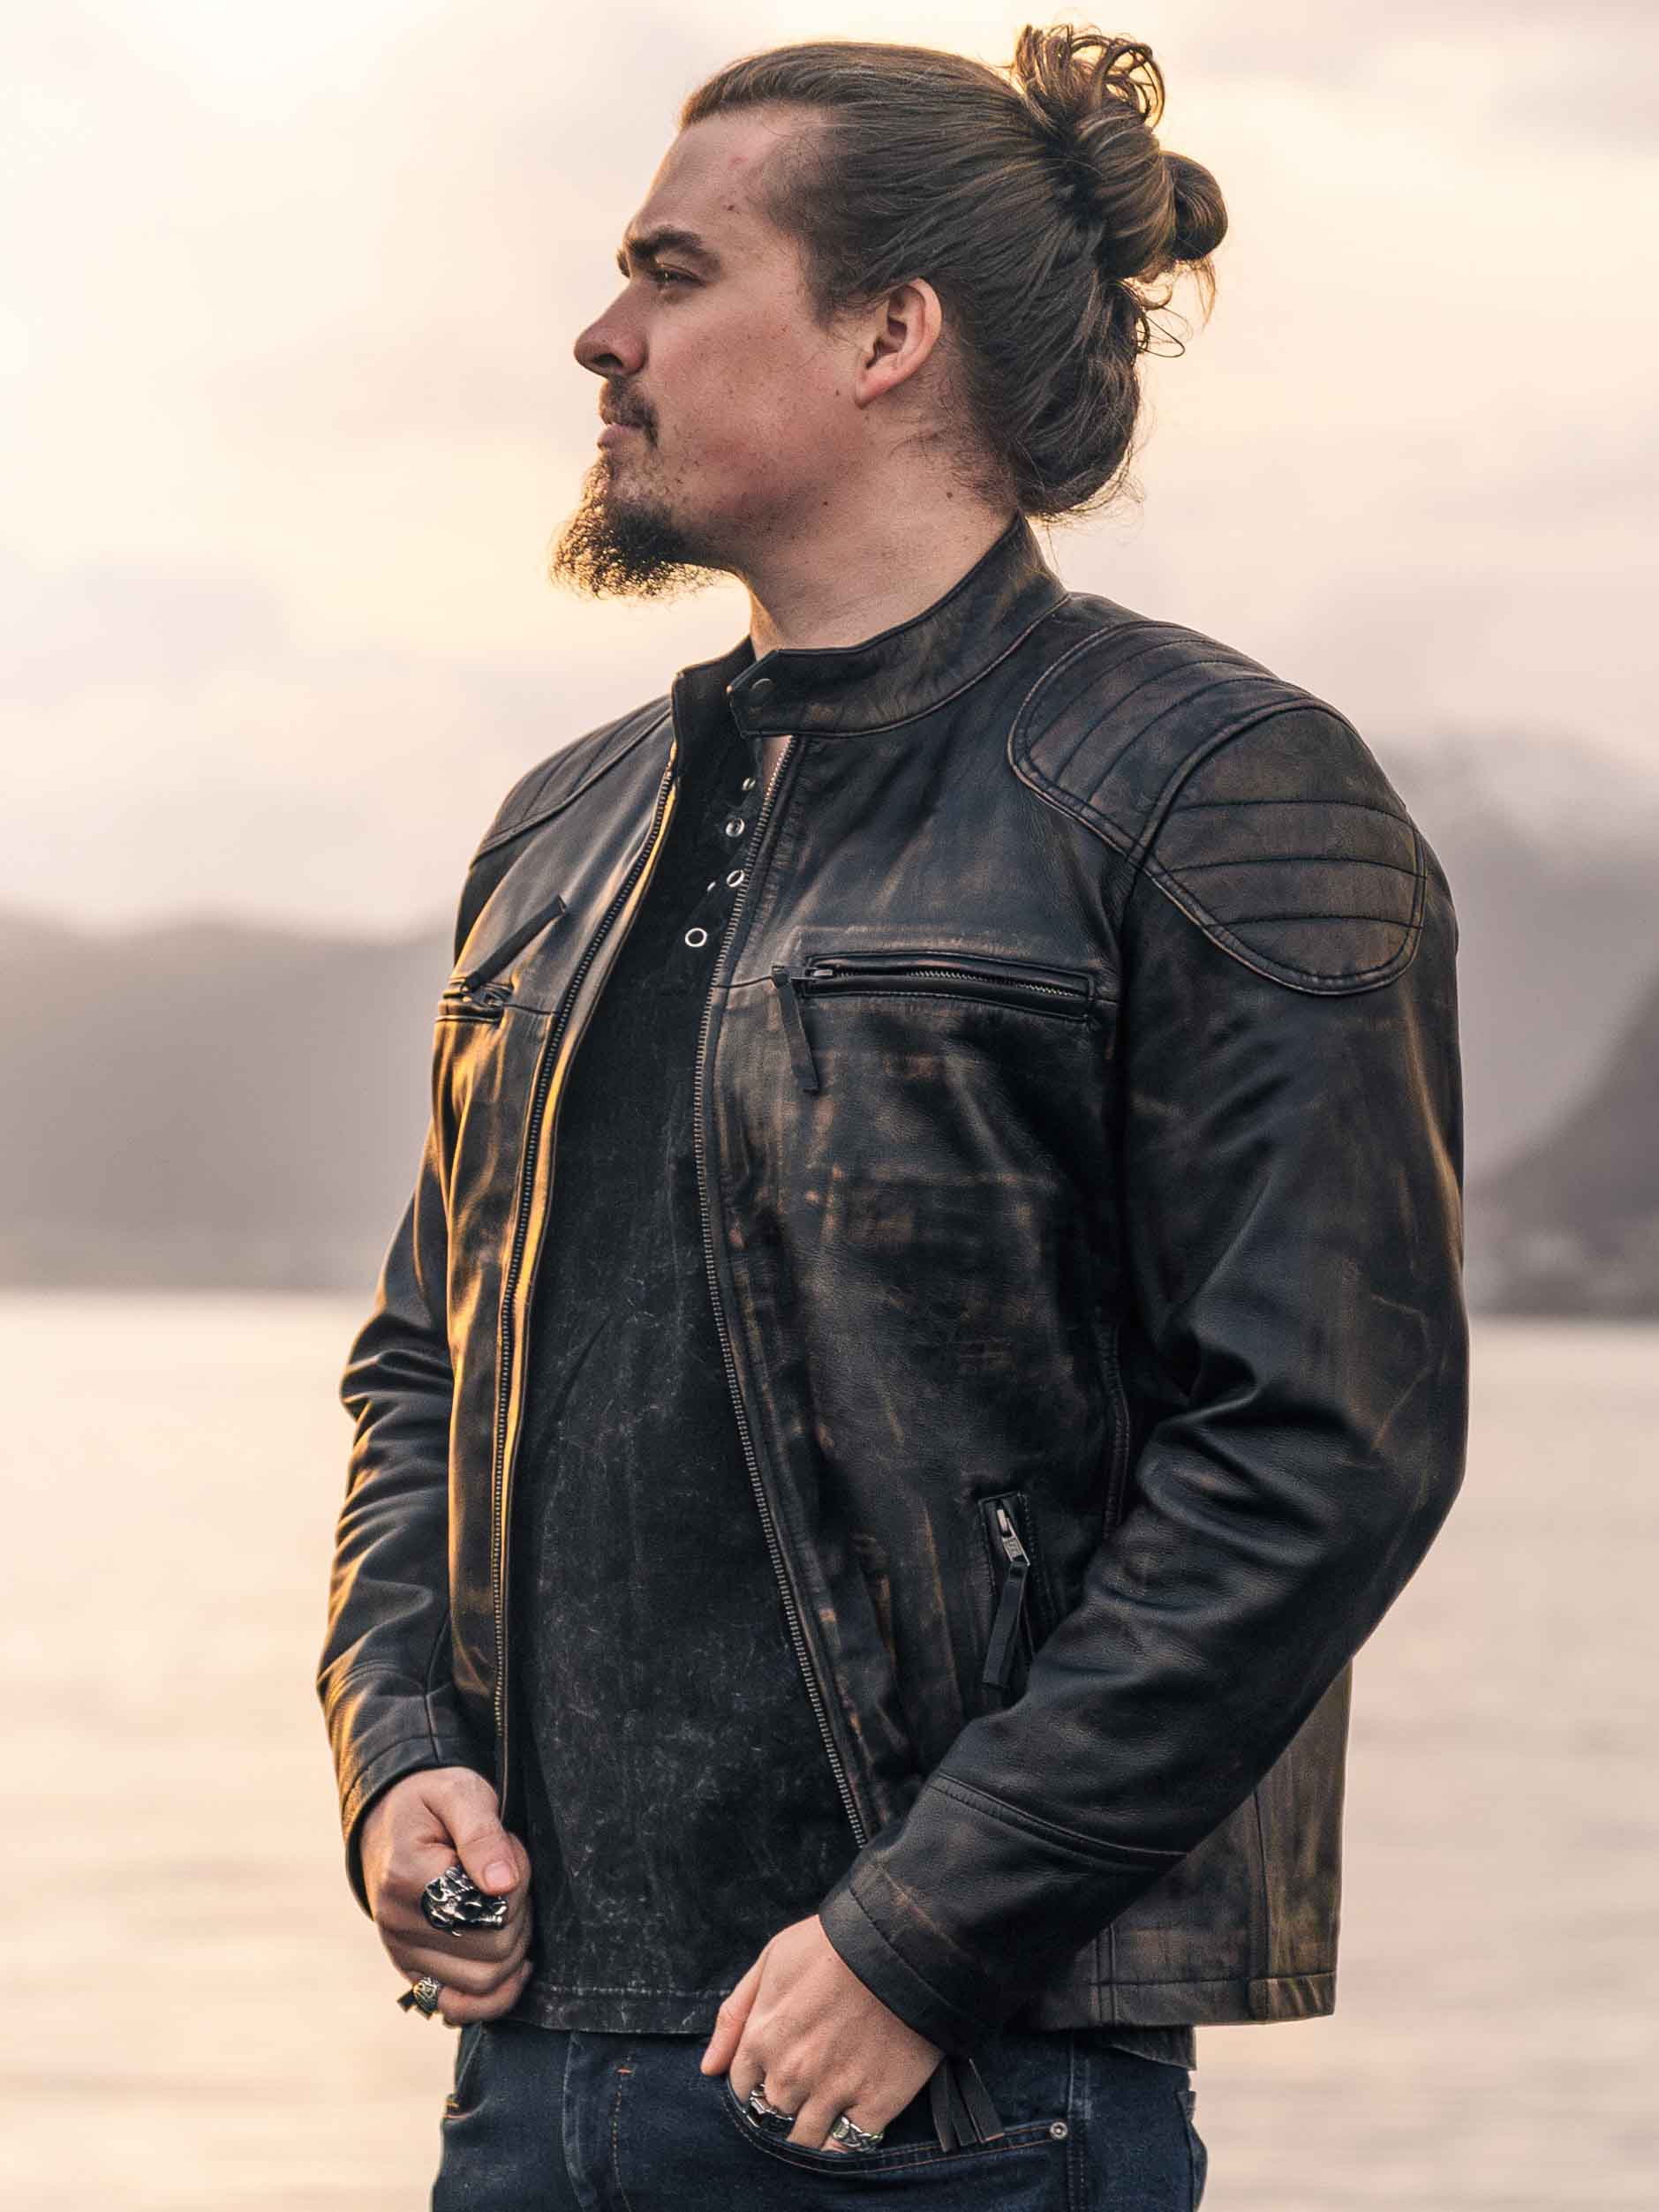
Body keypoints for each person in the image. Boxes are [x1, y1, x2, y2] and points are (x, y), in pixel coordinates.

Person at [316, 26, 1467, 2209]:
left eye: (673, 271)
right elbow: (419, 1369)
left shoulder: (1212, 786)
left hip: (946, 2095)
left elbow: (1324, 1447)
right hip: (529, 2076)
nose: (602, 334)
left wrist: (926, 1934)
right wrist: (399, 1751)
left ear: (885, 334)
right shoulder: (561, 824)